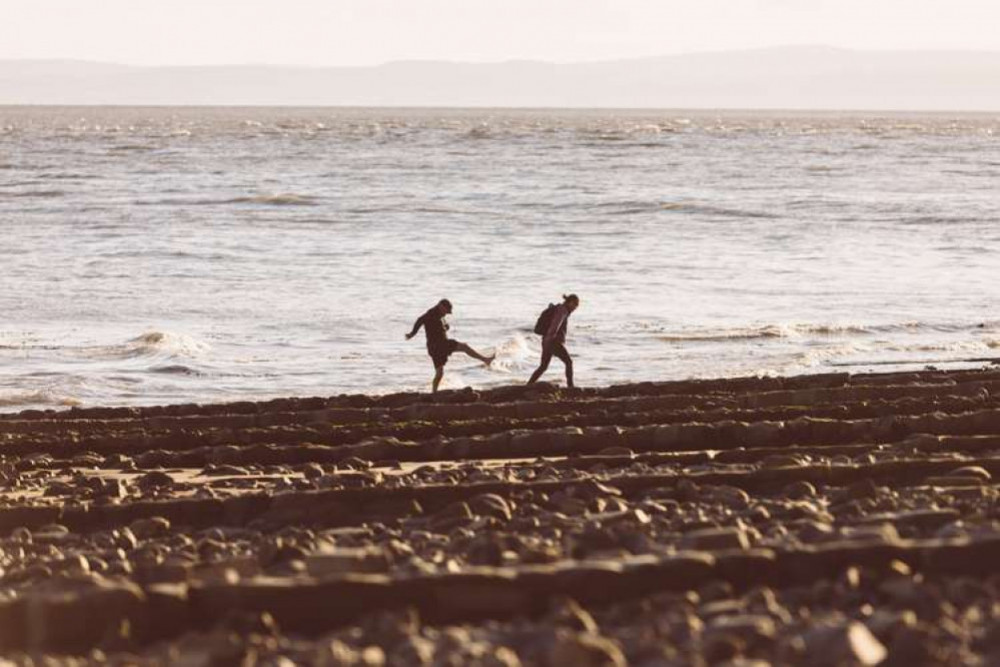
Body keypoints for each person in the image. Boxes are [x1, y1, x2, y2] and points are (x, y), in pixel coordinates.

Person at [406, 299, 494, 393]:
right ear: (441, 306)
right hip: (440, 344)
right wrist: (412, 333)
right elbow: (420, 320)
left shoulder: (439, 315)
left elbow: (438, 327)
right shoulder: (431, 314)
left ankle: (434, 392)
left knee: (439, 372)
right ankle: (485, 360)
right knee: (464, 347)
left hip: (433, 347)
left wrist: (445, 328)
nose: (446, 314)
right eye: (446, 311)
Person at [528, 294, 579, 388]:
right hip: (553, 341)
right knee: (568, 362)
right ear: (570, 302)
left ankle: (528, 385)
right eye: (575, 304)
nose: (576, 307)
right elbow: (555, 325)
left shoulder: (558, 308)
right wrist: (551, 340)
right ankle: (571, 387)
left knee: (543, 366)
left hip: (546, 340)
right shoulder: (562, 310)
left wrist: (546, 341)